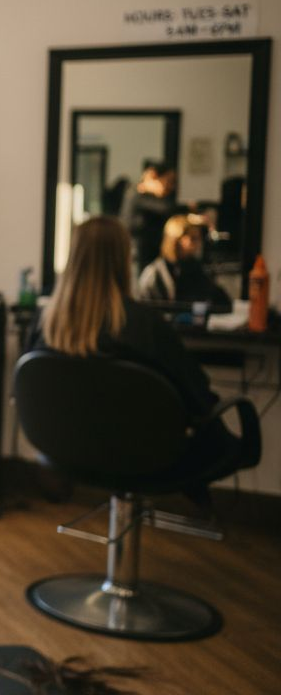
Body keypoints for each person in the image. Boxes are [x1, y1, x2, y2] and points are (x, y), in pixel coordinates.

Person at [30, 216, 259, 487]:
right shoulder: (145, 325)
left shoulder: (45, 323)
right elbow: (199, 398)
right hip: (150, 459)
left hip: (70, 451)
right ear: (123, 261)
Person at [137, 213, 231, 306]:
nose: (198, 243)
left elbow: (221, 300)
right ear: (176, 240)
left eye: (198, 238)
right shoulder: (154, 274)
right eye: (192, 238)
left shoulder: (194, 269)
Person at [121, 162, 179, 272]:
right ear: (153, 176)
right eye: (168, 181)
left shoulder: (144, 195)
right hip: (139, 254)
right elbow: (166, 209)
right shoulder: (138, 194)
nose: (170, 187)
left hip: (147, 252)